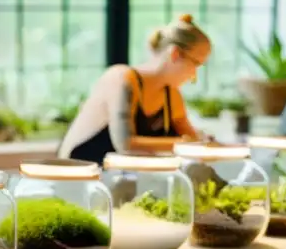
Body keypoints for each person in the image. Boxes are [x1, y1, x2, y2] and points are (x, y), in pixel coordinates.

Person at [59, 14, 211, 163]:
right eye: (196, 64)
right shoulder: (122, 78)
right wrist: (185, 143)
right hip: (78, 176)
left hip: (121, 179)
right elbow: (125, 145)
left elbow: (194, 140)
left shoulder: (171, 94)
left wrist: (205, 141)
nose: (194, 75)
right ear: (175, 54)